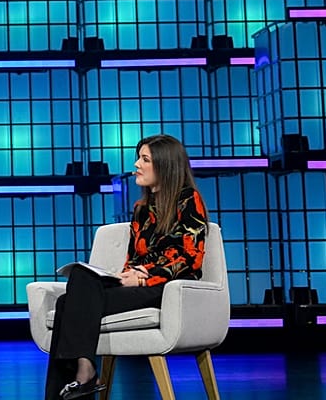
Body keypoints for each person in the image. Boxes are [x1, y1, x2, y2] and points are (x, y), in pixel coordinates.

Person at [44, 134, 209, 400]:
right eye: (138, 158)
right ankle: (83, 375)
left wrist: (145, 278)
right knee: (79, 280)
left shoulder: (188, 199)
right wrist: (125, 274)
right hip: (137, 282)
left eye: (144, 159)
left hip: (166, 288)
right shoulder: (141, 208)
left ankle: (79, 381)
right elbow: (135, 257)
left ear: (165, 165)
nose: (136, 165)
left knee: (67, 304)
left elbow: (190, 258)